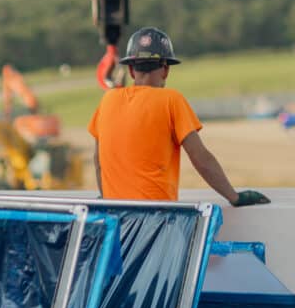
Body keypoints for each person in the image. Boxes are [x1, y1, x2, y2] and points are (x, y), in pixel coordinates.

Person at [88, 26, 270, 207]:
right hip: (156, 218)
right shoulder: (171, 100)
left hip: (116, 217)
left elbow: (98, 160)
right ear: (165, 70)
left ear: (131, 70)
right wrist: (234, 197)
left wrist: (106, 197)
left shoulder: (108, 100)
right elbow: (200, 157)